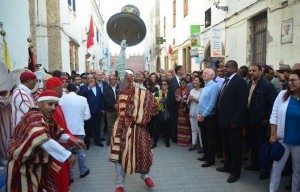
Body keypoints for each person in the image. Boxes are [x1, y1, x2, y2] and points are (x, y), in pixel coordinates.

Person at [6, 90, 86, 192]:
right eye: (50, 104)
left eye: (55, 105)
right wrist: (67, 155)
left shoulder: (46, 117)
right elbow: (41, 138)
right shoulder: (34, 117)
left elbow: (56, 132)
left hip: (37, 167)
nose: (53, 108)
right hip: (24, 167)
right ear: (39, 104)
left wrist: (71, 139)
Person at [109, 72, 158, 192]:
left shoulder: (149, 95)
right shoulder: (126, 88)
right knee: (119, 154)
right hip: (121, 126)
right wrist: (122, 52)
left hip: (140, 128)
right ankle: (120, 184)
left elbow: (155, 111)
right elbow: (120, 70)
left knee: (144, 153)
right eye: (135, 73)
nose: (138, 74)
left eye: (141, 73)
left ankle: (144, 175)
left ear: (145, 78)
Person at [216, 60, 248, 183]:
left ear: (234, 68)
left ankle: (235, 172)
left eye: (226, 67)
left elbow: (242, 103)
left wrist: (235, 120)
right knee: (227, 146)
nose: (224, 69)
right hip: (224, 121)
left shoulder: (239, 81)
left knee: (235, 148)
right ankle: (227, 166)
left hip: (233, 122)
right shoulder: (226, 80)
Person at [269, 69, 300, 192]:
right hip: (282, 140)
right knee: (277, 168)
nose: (290, 83)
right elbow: (274, 115)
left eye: (293, 80)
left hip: (298, 142)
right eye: (289, 80)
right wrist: (273, 134)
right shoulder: (282, 95)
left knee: (297, 170)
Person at [244, 64, 277, 180]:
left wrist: (266, 119)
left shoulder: (267, 85)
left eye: (254, 70)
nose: (251, 72)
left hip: (261, 121)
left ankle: (265, 169)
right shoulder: (249, 83)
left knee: (262, 146)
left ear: (261, 72)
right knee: (253, 144)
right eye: (250, 70)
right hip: (251, 119)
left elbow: (273, 104)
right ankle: (255, 165)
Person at [59, 83, 91, 181]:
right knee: (80, 151)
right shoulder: (83, 99)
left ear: (67, 90)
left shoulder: (61, 99)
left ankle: (70, 175)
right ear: (77, 90)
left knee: (67, 151)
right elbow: (87, 116)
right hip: (78, 128)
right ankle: (83, 170)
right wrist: (79, 119)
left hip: (66, 130)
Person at [197, 69, 220, 168]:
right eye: (203, 73)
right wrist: (198, 113)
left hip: (209, 117)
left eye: (205, 73)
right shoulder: (205, 87)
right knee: (204, 137)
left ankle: (210, 160)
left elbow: (212, 104)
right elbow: (200, 101)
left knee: (210, 139)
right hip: (201, 116)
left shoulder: (214, 87)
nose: (203, 75)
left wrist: (203, 115)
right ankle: (206, 156)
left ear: (212, 75)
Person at [153, 80, 172, 148]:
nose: (163, 85)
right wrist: (159, 100)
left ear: (168, 85)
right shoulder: (158, 92)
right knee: (157, 128)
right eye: (162, 84)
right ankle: (154, 142)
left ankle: (167, 141)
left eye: (165, 84)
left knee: (167, 128)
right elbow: (154, 100)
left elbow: (172, 102)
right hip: (159, 111)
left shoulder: (170, 93)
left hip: (167, 112)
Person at [168, 65, 185, 143]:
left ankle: (181, 137)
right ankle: (174, 138)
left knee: (182, 122)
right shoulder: (171, 80)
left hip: (183, 105)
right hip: (173, 105)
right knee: (174, 121)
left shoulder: (184, 79)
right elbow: (170, 93)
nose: (183, 71)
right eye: (182, 70)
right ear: (178, 71)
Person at [188, 76, 204, 152]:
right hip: (192, 111)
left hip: (199, 112)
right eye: (194, 80)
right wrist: (189, 100)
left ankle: (202, 146)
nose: (194, 81)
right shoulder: (191, 90)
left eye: (196, 80)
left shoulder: (202, 90)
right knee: (193, 129)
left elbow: (201, 101)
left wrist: (193, 98)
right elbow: (189, 102)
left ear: (200, 82)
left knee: (199, 129)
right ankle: (194, 144)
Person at [175, 78, 191, 146]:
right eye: (180, 83)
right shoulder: (177, 90)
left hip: (187, 109)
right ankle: (181, 141)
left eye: (183, 83)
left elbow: (190, 100)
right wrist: (179, 100)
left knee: (187, 125)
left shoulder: (189, 91)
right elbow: (176, 98)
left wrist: (185, 101)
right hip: (180, 109)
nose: (182, 84)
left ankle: (187, 141)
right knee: (180, 125)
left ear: (186, 83)